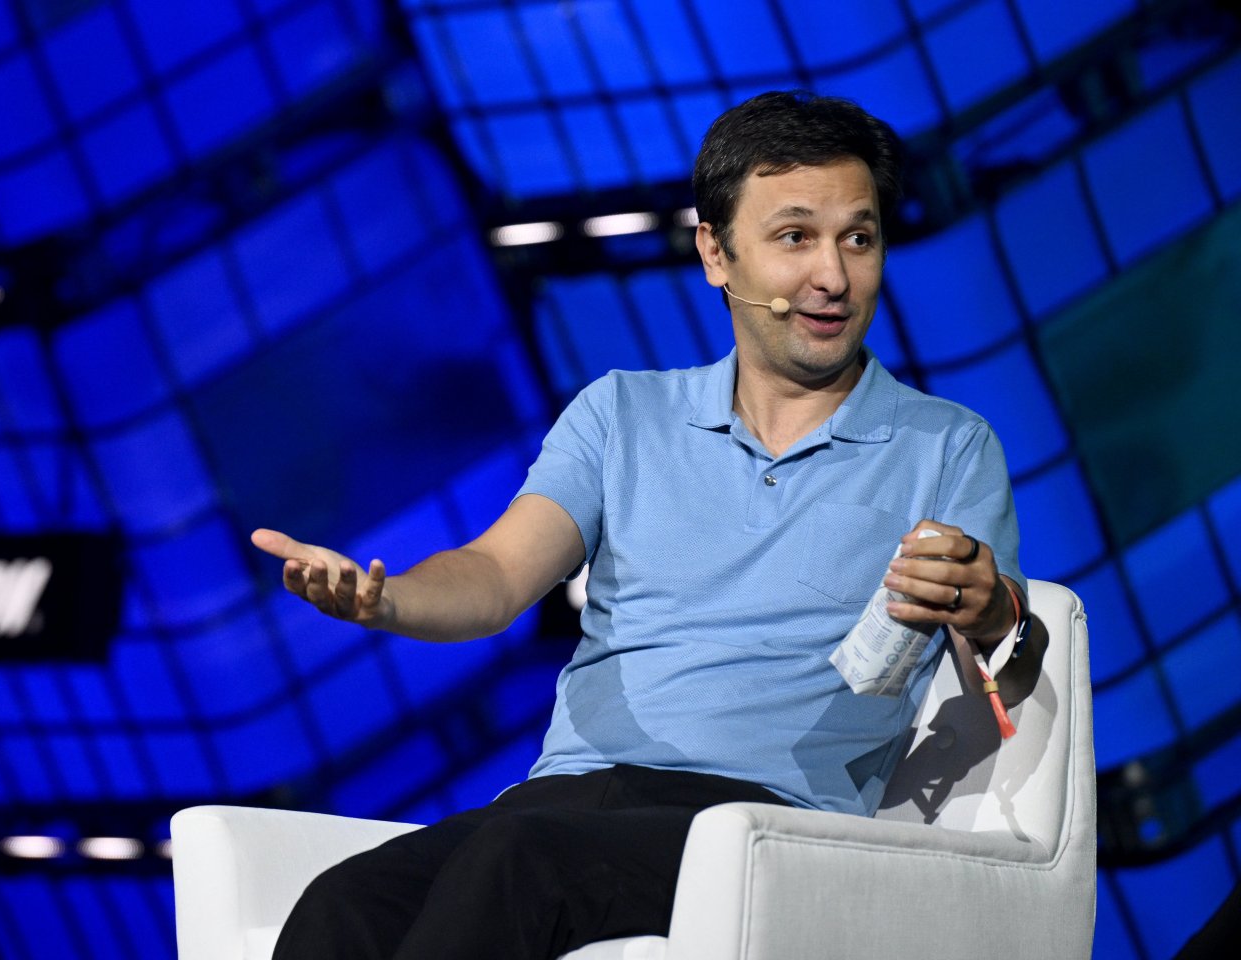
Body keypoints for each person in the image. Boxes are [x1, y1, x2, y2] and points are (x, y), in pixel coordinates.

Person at [252, 90, 1036, 960]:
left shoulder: (946, 444)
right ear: (716, 253)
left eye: (859, 237)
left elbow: (1007, 661)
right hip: (568, 799)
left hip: (762, 824)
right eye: (794, 237)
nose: (833, 276)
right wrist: (382, 600)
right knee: (346, 900)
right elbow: (495, 576)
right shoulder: (621, 412)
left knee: (519, 861)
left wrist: (990, 606)